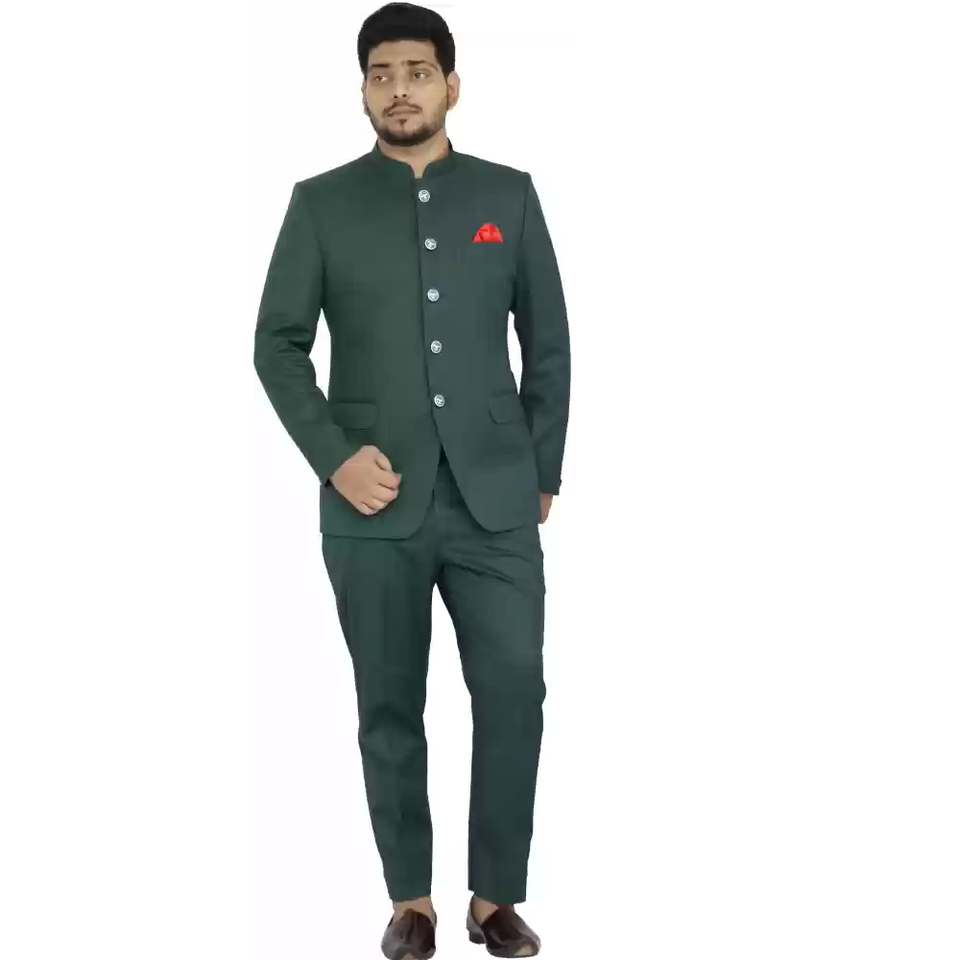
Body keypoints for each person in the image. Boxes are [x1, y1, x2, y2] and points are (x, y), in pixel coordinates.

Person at [253, 3, 570, 957]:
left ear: (451, 86)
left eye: (418, 72)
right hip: (371, 504)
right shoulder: (320, 203)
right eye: (382, 74)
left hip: (496, 501)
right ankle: (411, 903)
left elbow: (548, 343)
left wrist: (543, 468)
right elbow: (276, 346)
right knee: (389, 706)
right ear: (362, 91)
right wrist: (333, 456)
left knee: (514, 691)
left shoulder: (509, 196)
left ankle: (494, 898)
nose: (400, 89)